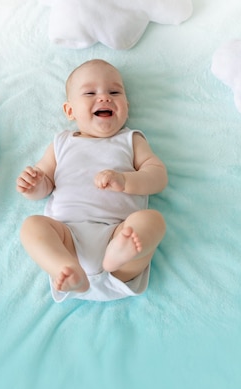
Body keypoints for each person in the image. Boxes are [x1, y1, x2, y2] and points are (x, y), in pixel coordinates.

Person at [16, 59, 168, 302]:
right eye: (90, 92)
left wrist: (125, 181)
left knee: (153, 221)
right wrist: (33, 185)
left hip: (119, 234)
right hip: (68, 240)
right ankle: (65, 268)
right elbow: (44, 182)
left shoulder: (130, 140)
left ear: (126, 106)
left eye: (114, 92)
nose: (105, 98)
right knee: (32, 226)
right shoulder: (61, 143)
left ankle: (116, 257)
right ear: (69, 111)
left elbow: (158, 176)